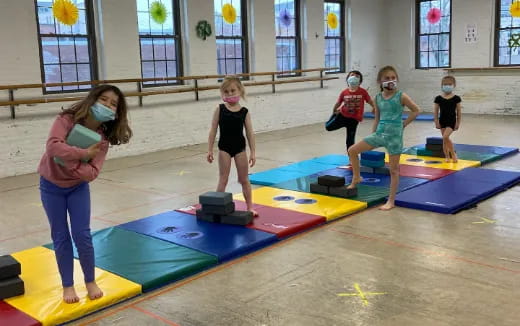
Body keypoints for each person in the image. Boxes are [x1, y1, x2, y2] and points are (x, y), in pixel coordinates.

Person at [38, 85, 132, 303]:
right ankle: (68, 285)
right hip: (50, 186)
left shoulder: (102, 139)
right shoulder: (66, 120)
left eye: (113, 104)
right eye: (104, 99)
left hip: (77, 187)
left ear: (117, 112)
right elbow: (53, 147)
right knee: (60, 236)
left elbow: (91, 173)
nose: (107, 105)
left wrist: (67, 160)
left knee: (82, 234)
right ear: (92, 100)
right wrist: (82, 154)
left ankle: (90, 280)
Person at [346, 66, 420, 210]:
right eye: (387, 78)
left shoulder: (401, 96)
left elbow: (416, 110)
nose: (390, 80)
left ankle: (391, 201)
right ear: (380, 81)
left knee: (394, 170)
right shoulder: (378, 98)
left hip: (394, 137)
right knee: (352, 150)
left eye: (393, 78)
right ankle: (357, 177)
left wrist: (403, 124)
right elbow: (377, 118)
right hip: (379, 134)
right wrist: (373, 134)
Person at [207, 76, 257, 216]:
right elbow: (213, 130)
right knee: (223, 178)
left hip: (240, 148)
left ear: (240, 90)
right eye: (226, 91)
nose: (230, 94)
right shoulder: (220, 109)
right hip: (224, 148)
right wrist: (209, 149)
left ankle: (249, 207)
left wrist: (253, 152)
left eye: (233, 90)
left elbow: (250, 133)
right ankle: (215, 208)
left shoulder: (244, 112)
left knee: (244, 179)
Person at [325, 70, 376, 150]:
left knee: (350, 140)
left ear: (360, 81)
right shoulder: (344, 92)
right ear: (348, 79)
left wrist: (375, 107)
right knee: (328, 127)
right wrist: (334, 111)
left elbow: (370, 101)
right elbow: (338, 103)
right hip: (342, 116)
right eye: (352, 75)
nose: (354, 77)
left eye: (357, 77)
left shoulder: (363, 92)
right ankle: (335, 117)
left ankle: (351, 158)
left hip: (354, 119)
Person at [434, 75, 462, 162]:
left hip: (451, 121)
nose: (447, 86)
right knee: (444, 140)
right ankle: (447, 157)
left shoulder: (456, 98)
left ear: (454, 85)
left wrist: (458, 123)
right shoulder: (438, 98)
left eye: (449, 84)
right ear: (442, 85)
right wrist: (436, 121)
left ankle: (453, 154)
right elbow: (435, 111)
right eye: (445, 84)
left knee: (445, 137)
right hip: (442, 120)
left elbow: (459, 112)